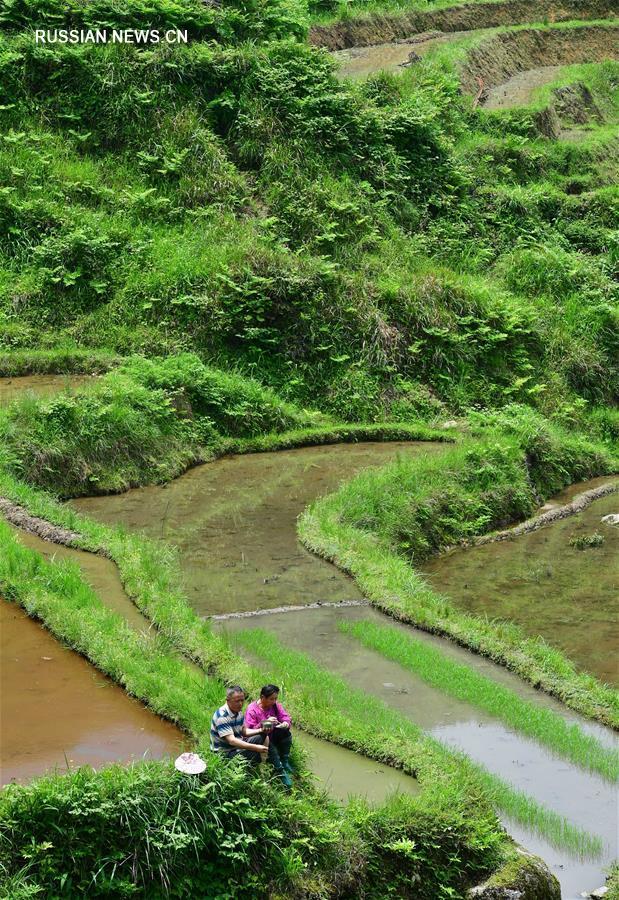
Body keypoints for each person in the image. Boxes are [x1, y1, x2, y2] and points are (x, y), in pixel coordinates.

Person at [244, 684, 293, 787]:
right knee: (272, 750)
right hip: (262, 737)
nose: (274, 701)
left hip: (273, 733)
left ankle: (284, 760)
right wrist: (265, 722)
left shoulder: (275, 706)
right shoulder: (252, 710)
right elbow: (249, 731)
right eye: (271, 699)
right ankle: (280, 771)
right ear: (262, 698)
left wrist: (285, 723)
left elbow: (285, 717)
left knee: (286, 733)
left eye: (275, 698)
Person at [210, 685, 268, 765]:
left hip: (236, 747)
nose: (240, 704)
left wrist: (260, 730)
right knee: (253, 753)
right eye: (237, 701)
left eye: (242, 700)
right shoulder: (222, 716)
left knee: (262, 735)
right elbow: (232, 741)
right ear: (227, 700)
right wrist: (256, 748)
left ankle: (255, 762)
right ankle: (252, 770)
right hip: (225, 753)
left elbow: (243, 731)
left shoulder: (238, 711)